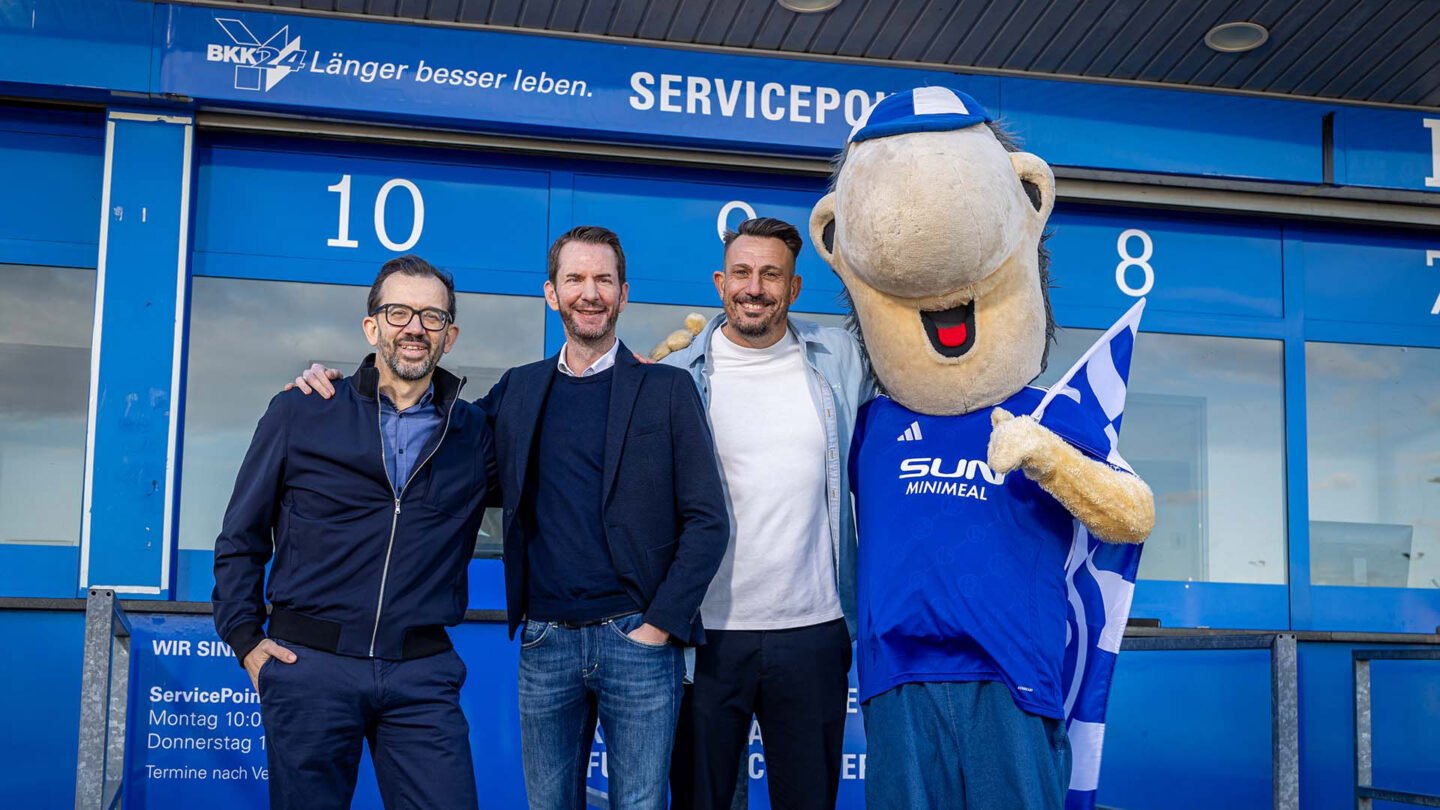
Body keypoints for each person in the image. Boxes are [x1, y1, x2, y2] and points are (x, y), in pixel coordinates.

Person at [293, 226, 730, 810]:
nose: (590, 292)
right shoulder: (519, 390)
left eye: (603, 279)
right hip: (546, 641)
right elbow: (425, 428)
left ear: (623, 293)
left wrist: (660, 627)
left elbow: (708, 520)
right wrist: (346, 387)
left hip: (638, 641)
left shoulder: (667, 389)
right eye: (575, 279)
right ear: (552, 294)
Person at [213, 255, 494, 810]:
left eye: (432, 317)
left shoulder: (475, 435)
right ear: (371, 327)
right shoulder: (302, 410)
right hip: (309, 667)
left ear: (450, 336)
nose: (414, 327)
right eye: (398, 312)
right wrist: (245, 640)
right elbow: (241, 534)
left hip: (421, 675)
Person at [661, 217, 870, 810]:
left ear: (794, 288)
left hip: (814, 631)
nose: (755, 288)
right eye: (744, 273)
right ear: (720, 282)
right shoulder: (676, 381)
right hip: (705, 637)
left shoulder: (841, 359)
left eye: (771, 275)